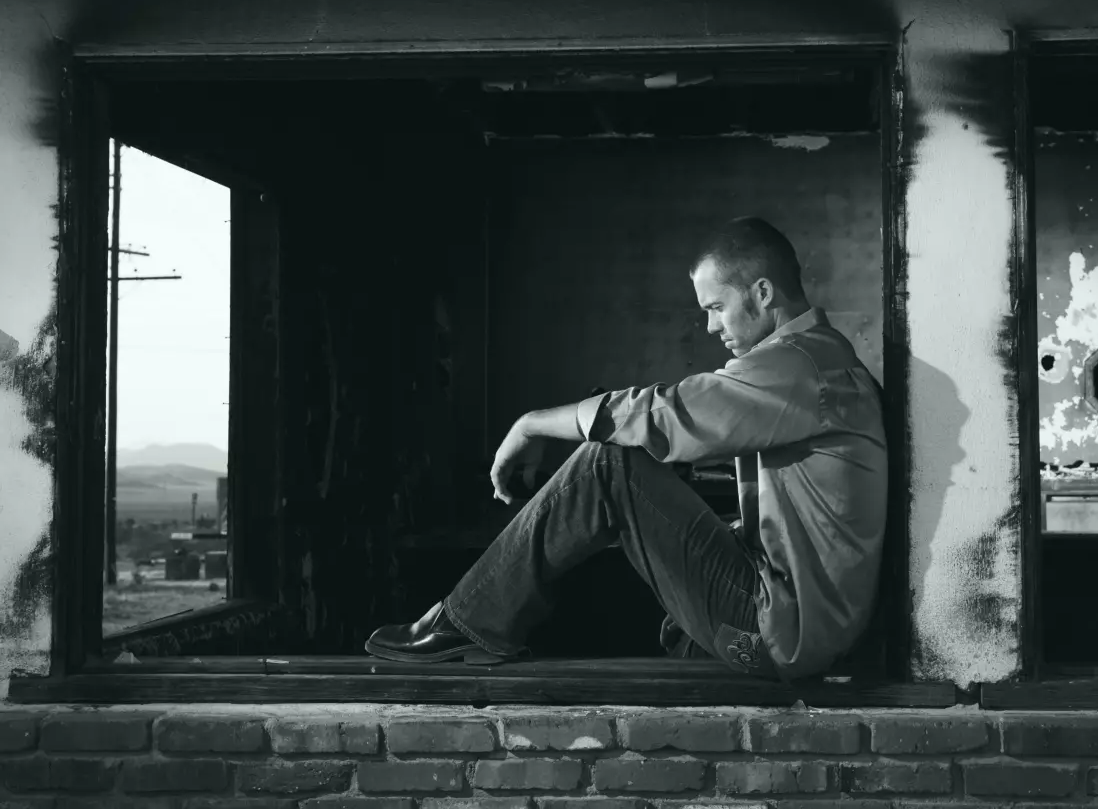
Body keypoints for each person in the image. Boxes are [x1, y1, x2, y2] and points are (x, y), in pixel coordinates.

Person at [365, 217, 888, 681]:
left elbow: (667, 413)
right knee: (640, 465)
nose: (710, 326)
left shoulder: (799, 367)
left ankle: (467, 621)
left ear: (764, 293)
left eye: (717, 307)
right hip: (801, 627)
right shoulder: (819, 361)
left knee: (610, 459)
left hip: (783, 637)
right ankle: (481, 621)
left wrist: (530, 425)